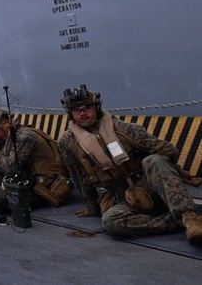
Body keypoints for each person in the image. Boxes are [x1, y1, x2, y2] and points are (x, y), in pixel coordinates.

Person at [57, 84, 202, 244]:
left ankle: (191, 219)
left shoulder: (124, 129)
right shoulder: (67, 142)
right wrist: (93, 207)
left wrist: (159, 173)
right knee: (111, 222)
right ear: (70, 113)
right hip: (123, 197)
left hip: (150, 186)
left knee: (154, 160)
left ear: (96, 107)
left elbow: (169, 150)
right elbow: (79, 176)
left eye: (87, 108)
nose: (82, 113)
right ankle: (175, 221)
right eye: (76, 110)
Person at [0, 108, 72, 213]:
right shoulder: (10, 136)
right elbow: (0, 168)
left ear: (6, 124)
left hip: (43, 187)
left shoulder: (24, 136)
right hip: (26, 178)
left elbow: (10, 169)